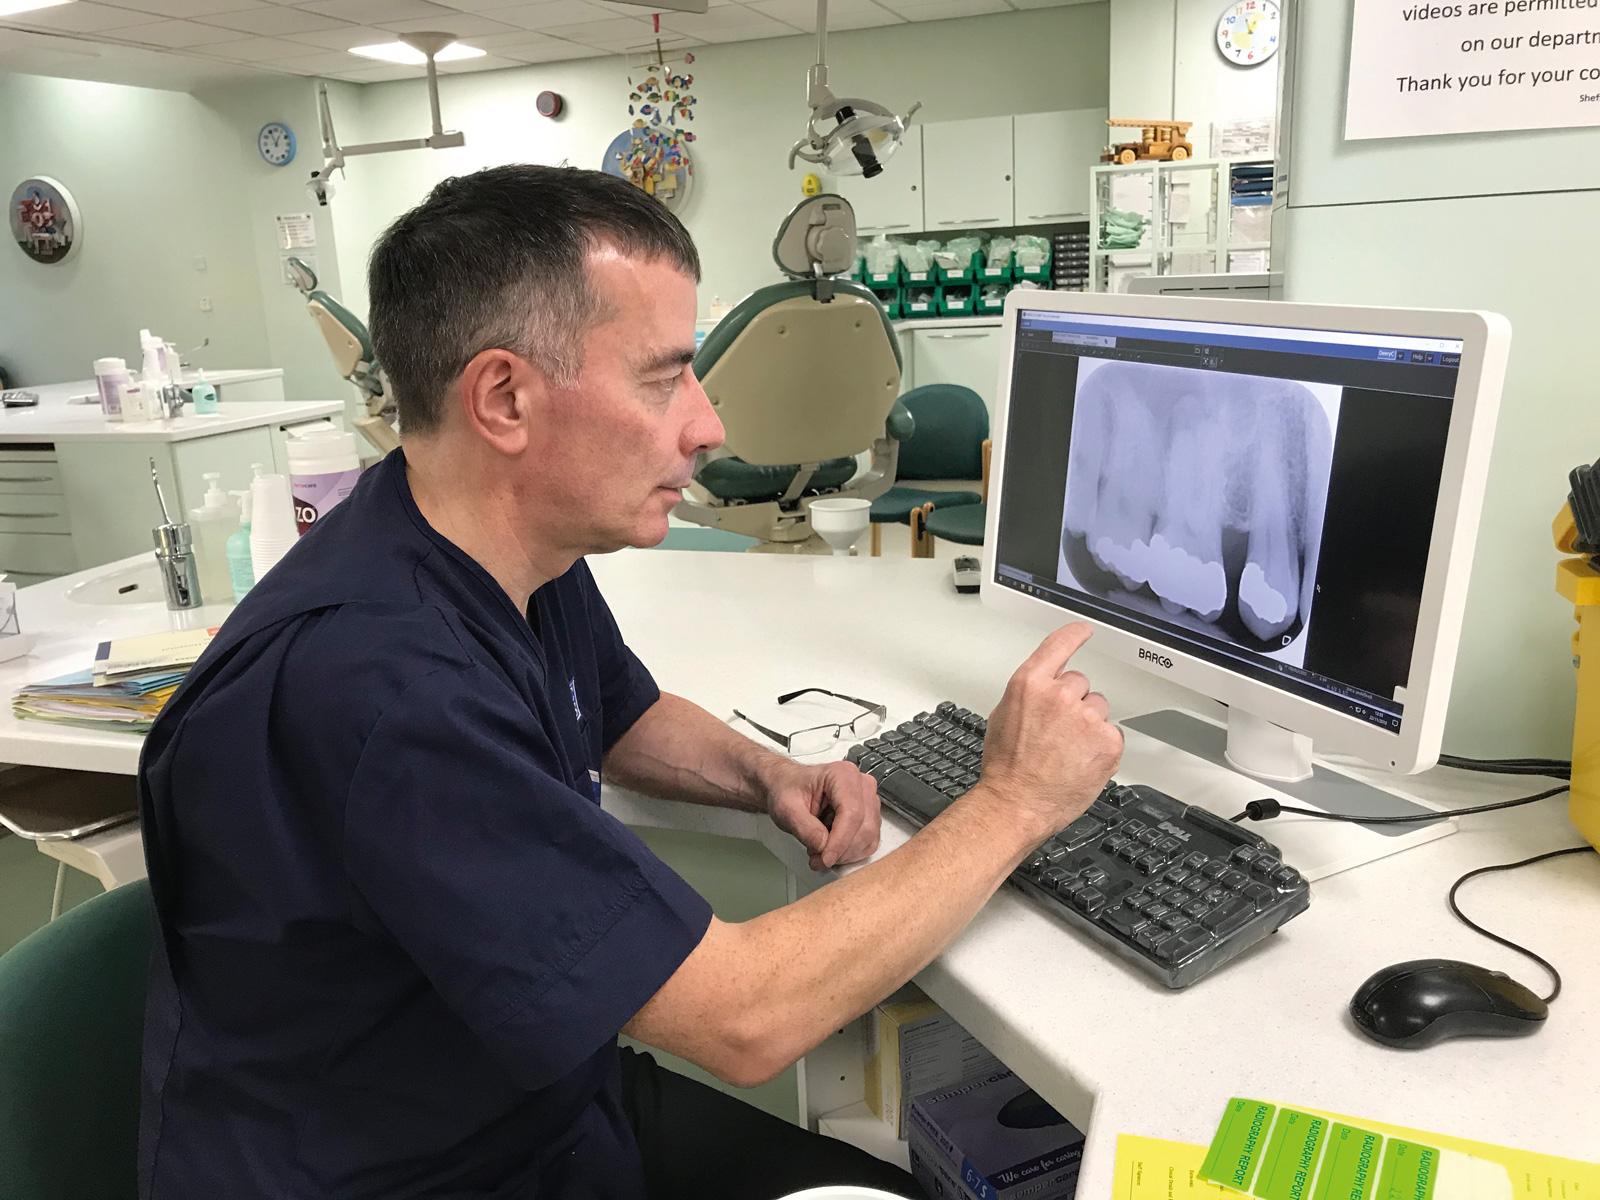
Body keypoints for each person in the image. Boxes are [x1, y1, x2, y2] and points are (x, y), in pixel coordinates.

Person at [136, 164, 1123, 1200]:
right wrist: (1014, 801)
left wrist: (764, 775)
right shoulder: (381, 693)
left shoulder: (494, 542)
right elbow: (744, 1019)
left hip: (534, 1102)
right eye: (664, 378)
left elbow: (620, 712)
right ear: (505, 398)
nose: (706, 427)